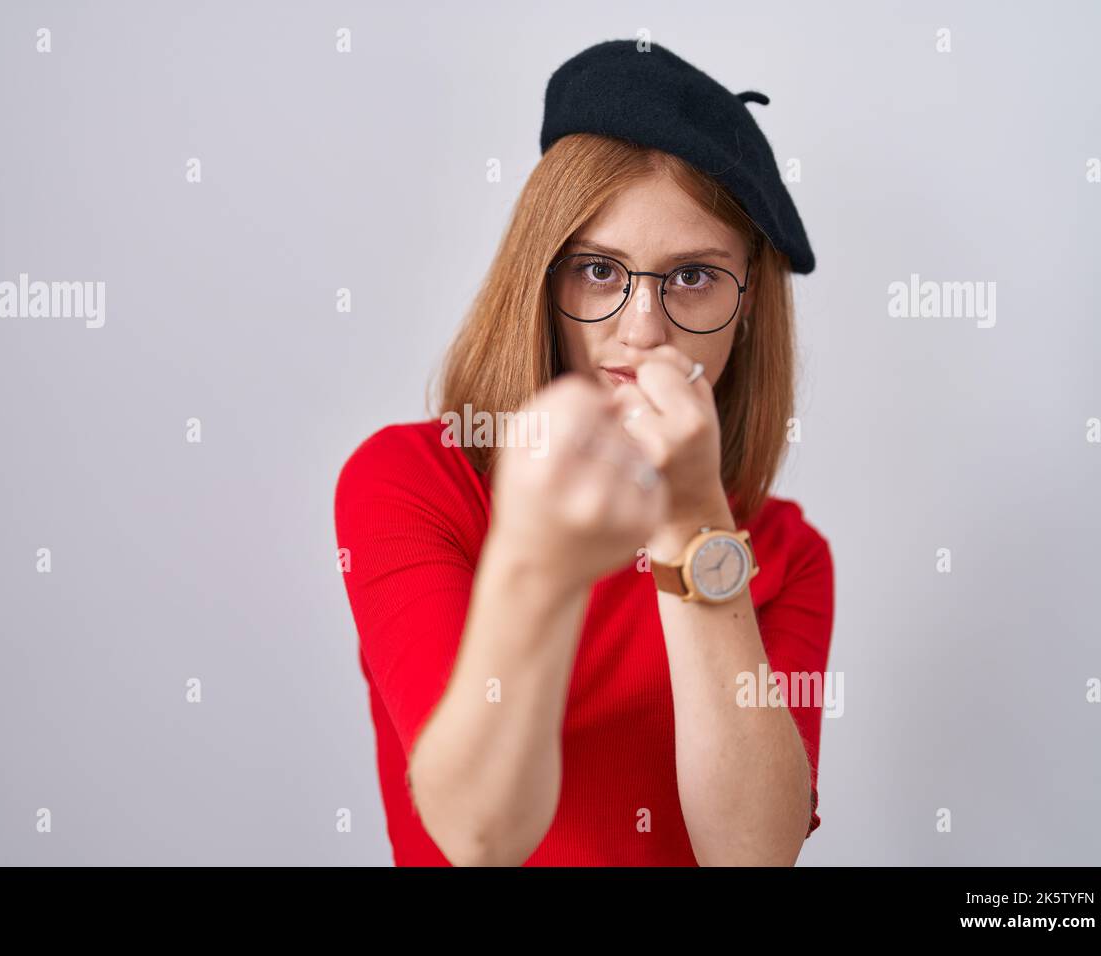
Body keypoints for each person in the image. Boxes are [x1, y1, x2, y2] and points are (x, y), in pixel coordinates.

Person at [334, 39, 834, 866]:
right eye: (600, 271)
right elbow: (481, 835)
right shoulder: (409, 483)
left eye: (695, 277)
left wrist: (693, 521)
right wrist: (537, 556)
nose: (643, 329)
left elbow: (753, 854)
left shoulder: (786, 554)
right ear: (541, 282)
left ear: (749, 308)